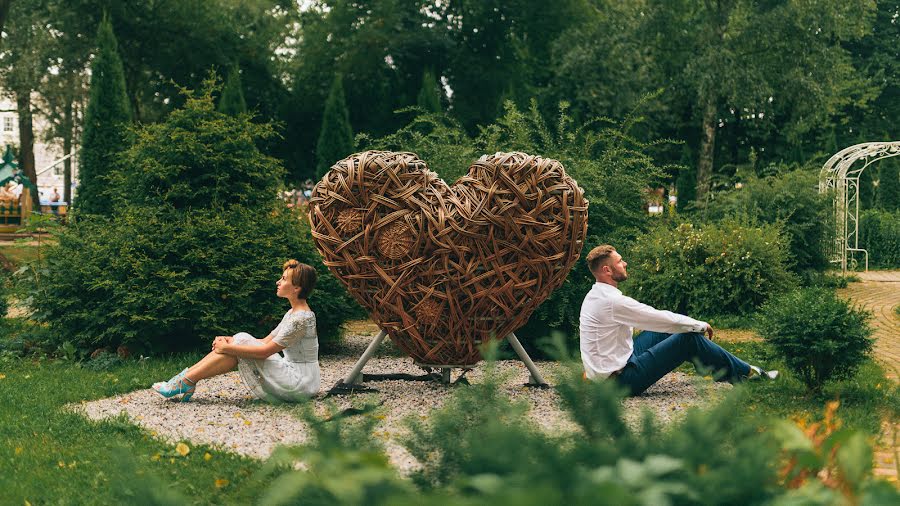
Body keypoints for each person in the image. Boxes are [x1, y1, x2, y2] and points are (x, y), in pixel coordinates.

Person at [579, 245, 777, 396]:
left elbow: (658, 322)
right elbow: (656, 317)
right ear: (607, 270)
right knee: (688, 338)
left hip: (616, 366)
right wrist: (698, 325)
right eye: (620, 261)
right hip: (621, 382)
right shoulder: (611, 301)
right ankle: (748, 373)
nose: (625, 263)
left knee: (669, 330)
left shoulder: (595, 295)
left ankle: (710, 365)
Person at [152, 260, 321, 403]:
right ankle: (186, 379)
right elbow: (264, 341)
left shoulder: (301, 319)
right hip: (293, 372)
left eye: (283, 279)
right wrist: (230, 340)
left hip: (300, 383)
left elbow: (264, 351)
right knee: (240, 338)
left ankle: (185, 381)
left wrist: (226, 348)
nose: (278, 282)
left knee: (240, 341)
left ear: (297, 288)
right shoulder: (293, 314)